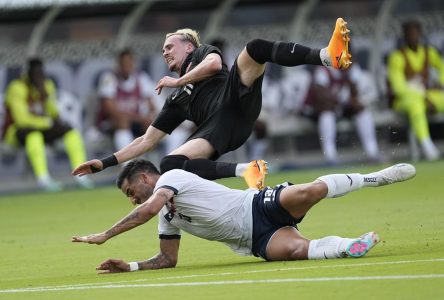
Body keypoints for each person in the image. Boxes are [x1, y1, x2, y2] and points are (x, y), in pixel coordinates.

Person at [72, 18, 352, 190]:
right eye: (163, 50)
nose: (165, 52)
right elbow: (146, 140)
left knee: (255, 48)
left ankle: (329, 56)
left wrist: (178, 81)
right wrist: (103, 163)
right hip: (220, 128)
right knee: (171, 163)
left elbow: (215, 64)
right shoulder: (176, 100)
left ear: (189, 46)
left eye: (170, 46)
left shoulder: (201, 54)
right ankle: (246, 170)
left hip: (235, 99)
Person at [72, 159, 415, 273]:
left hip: (256, 205)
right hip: (255, 240)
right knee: (298, 250)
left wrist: (104, 234)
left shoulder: (170, 178)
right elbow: (167, 258)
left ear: (146, 178)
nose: (132, 200)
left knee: (309, 192)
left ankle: (375, 178)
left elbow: (145, 210)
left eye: (131, 191)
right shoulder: (167, 215)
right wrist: (131, 266)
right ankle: (349, 246)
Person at [2, 58, 93, 191]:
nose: (38, 76)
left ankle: (81, 175)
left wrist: (45, 97)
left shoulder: (46, 84)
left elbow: (52, 112)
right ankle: (43, 179)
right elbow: (21, 120)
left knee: (71, 132)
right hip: (16, 131)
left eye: (40, 73)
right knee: (34, 135)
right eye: (35, 74)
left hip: (43, 128)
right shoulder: (17, 87)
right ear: (28, 74)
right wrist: (47, 122)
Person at [387, 19, 444, 161]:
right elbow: (399, 87)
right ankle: (428, 147)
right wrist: (424, 96)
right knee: (415, 105)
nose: (412, 36)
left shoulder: (429, 52)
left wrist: (440, 82)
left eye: (415, 33)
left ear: (420, 34)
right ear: (404, 36)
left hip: (428, 95)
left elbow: (442, 67)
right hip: (405, 99)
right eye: (409, 33)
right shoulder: (397, 56)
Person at [302, 63, 381, 164]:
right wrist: (342, 102)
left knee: (361, 110)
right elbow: (321, 97)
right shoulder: (324, 69)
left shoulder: (352, 67)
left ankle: (372, 152)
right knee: (327, 113)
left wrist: (353, 98)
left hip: (339, 107)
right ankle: (330, 156)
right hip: (315, 110)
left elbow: (355, 93)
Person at [97, 48, 158, 152]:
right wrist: (139, 118)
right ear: (119, 64)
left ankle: (147, 163)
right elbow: (110, 111)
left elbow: (152, 106)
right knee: (123, 122)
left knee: (151, 125)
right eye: (124, 63)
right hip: (110, 123)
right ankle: (126, 164)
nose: (127, 66)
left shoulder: (141, 78)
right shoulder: (109, 79)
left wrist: (148, 118)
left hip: (135, 122)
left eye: (129, 62)